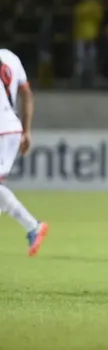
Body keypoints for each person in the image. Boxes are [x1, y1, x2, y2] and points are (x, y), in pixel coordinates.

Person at [0, 48, 47, 256]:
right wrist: (26, 130)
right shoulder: (10, 57)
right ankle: (32, 226)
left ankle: (33, 226)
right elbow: (26, 94)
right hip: (12, 127)